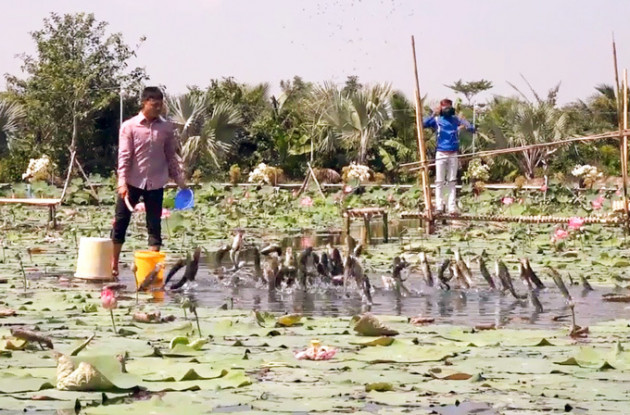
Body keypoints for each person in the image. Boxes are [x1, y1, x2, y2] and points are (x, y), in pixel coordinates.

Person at [110, 86, 187, 277]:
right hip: (132, 182)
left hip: (156, 182)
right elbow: (125, 156)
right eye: (154, 105)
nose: (158, 108)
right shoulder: (130, 126)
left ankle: (152, 270)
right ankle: (113, 264)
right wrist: (122, 182)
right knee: (121, 222)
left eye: (160, 105)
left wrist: (179, 180)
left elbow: (170, 156)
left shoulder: (166, 128)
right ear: (144, 103)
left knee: (154, 224)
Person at [423, 98, 475, 214]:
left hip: (453, 153)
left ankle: (452, 208)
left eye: (449, 108)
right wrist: (433, 114)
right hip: (441, 153)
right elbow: (423, 124)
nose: (447, 110)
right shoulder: (437, 120)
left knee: (452, 181)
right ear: (441, 108)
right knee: (439, 181)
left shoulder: (455, 119)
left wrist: (465, 123)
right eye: (445, 108)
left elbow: (471, 128)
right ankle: (439, 207)